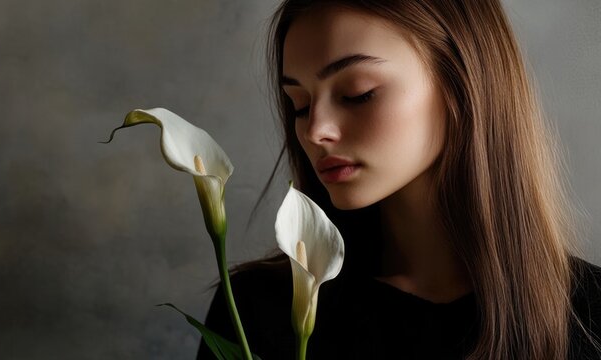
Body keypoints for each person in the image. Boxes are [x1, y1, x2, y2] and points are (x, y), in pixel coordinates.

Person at [198, 1, 601, 359]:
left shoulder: (590, 317)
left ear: (461, 85)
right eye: (299, 104)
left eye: (358, 93)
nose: (314, 130)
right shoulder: (256, 309)